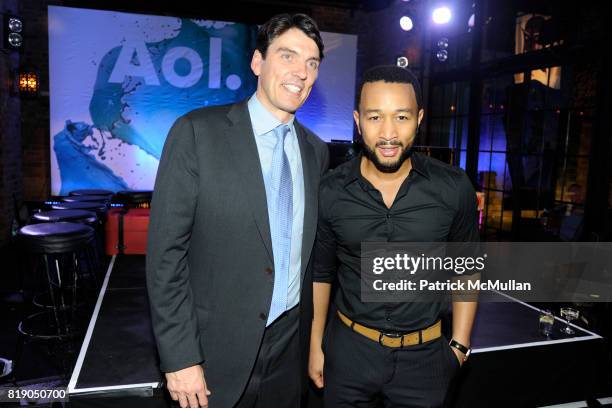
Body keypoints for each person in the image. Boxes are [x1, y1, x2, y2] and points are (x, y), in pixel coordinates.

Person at [146, 13, 329, 408]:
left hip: (288, 352)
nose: (301, 72)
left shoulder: (317, 151)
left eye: (312, 63)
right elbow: (165, 256)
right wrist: (180, 357)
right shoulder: (197, 133)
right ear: (257, 62)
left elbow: (311, 257)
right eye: (288, 56)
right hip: (213, 354)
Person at [308, 65, 479, 407]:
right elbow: (322, 272)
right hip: (348, 354)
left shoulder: (453, 187)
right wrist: (315, 344)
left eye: (401, 117)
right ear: (358, 121)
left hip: (426, 359)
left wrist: (458, 346)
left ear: (419, 119)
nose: (388, 133)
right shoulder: (330, 190)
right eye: (375, 117)